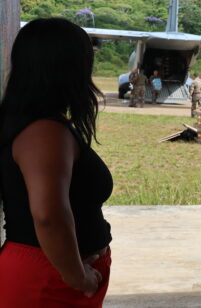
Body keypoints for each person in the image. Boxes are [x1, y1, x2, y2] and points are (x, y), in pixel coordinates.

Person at [0, 18, 113, 307]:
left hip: (54, 272)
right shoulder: (44, 131)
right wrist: (77, 276)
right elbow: (48, 215)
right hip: (49, 278)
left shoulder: (31, 122)